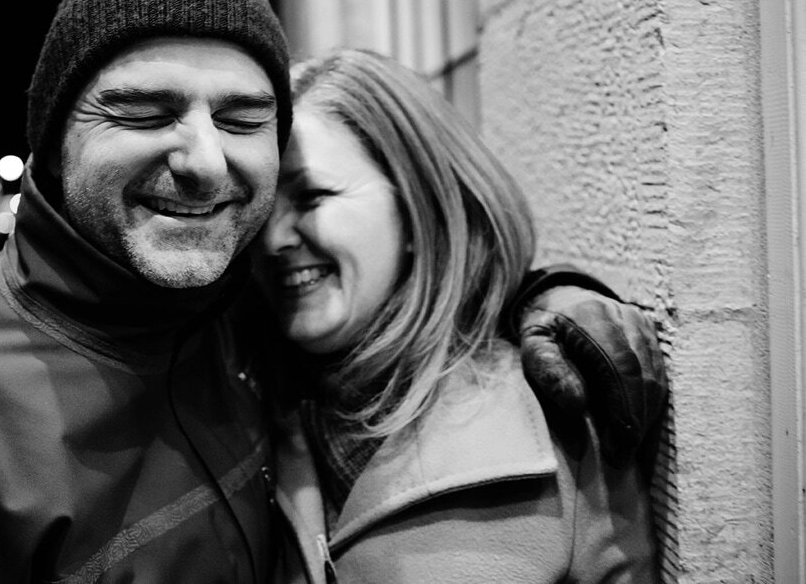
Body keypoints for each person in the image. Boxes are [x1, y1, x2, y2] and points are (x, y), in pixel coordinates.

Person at [0, 0, 662, 583]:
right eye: (145, 110)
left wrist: (547, 298)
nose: (205, 163)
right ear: (52, 142)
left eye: (242, 122)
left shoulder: (240, 332)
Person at [264, 48, 662, 583]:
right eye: (259, 204)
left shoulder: (562, 420)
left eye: (311, 196)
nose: (271, 239)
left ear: (417, 207)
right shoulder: (236, 406)